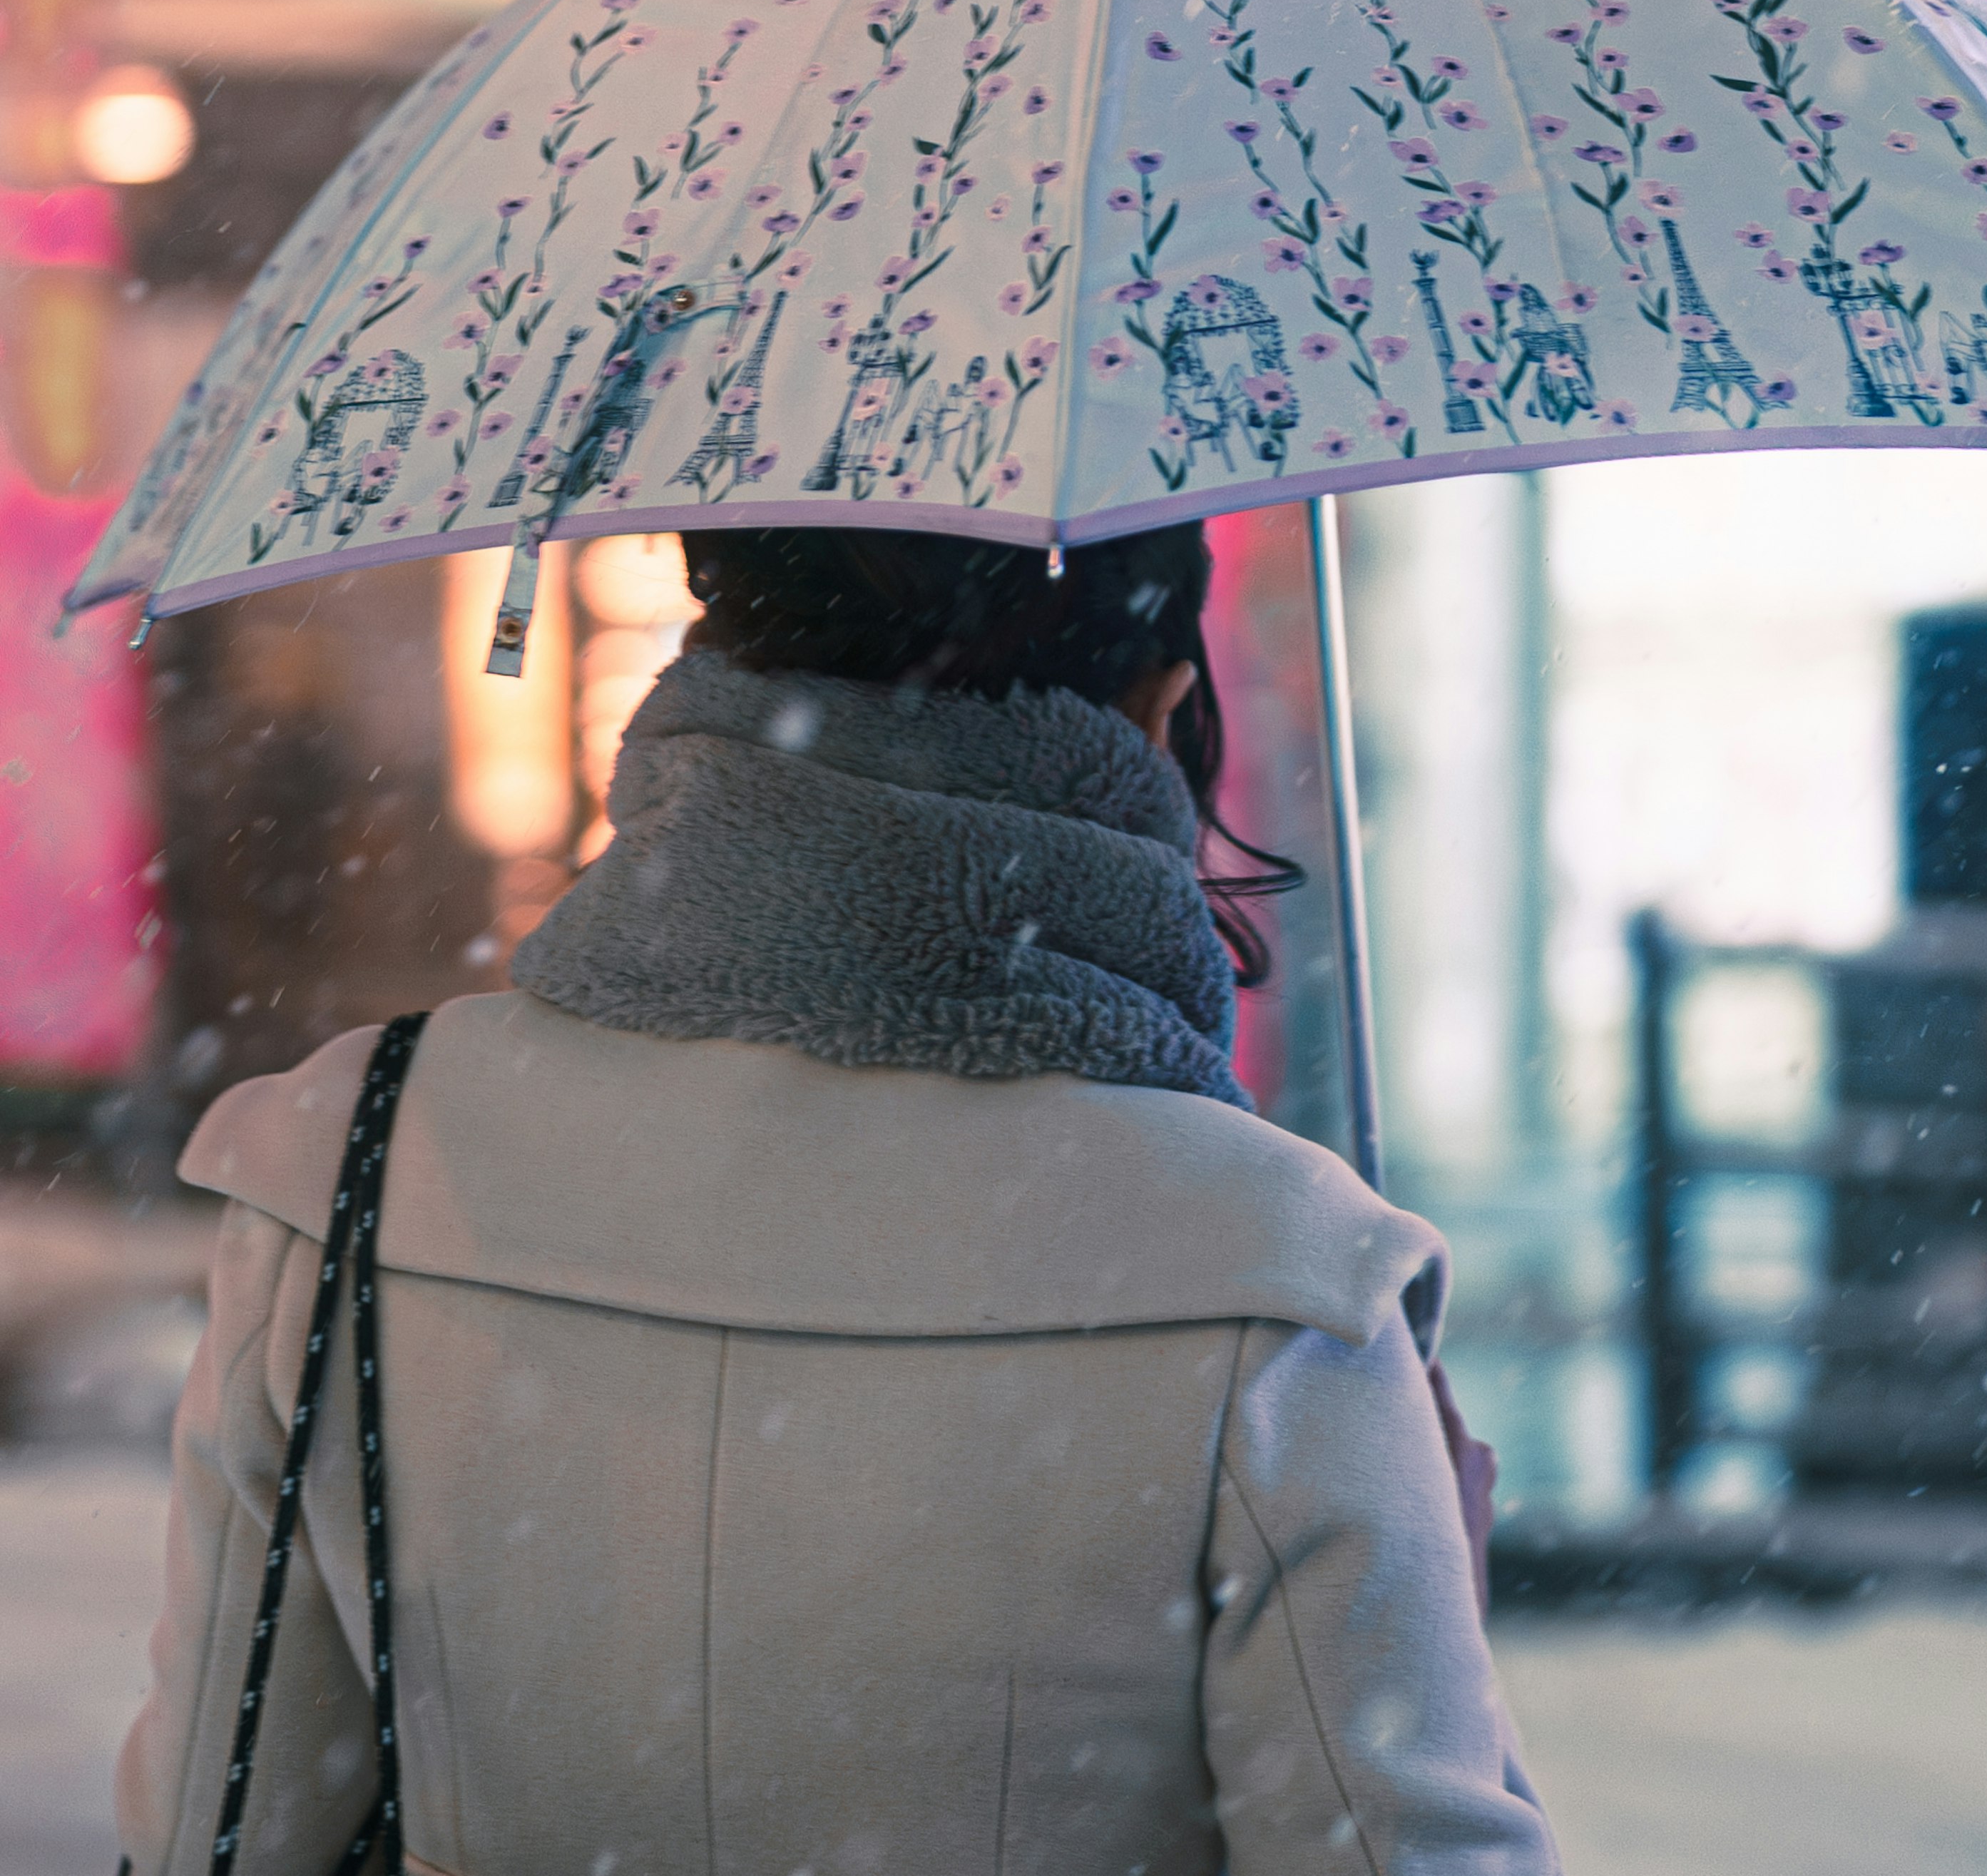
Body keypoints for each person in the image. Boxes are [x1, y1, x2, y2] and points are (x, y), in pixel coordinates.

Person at [116, 519, 1548, 1876]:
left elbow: (217, 1826)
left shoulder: (356, 1165)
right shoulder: (1280, 1281)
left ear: (714, 645)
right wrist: (1432, 1614)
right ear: (1165, 708)